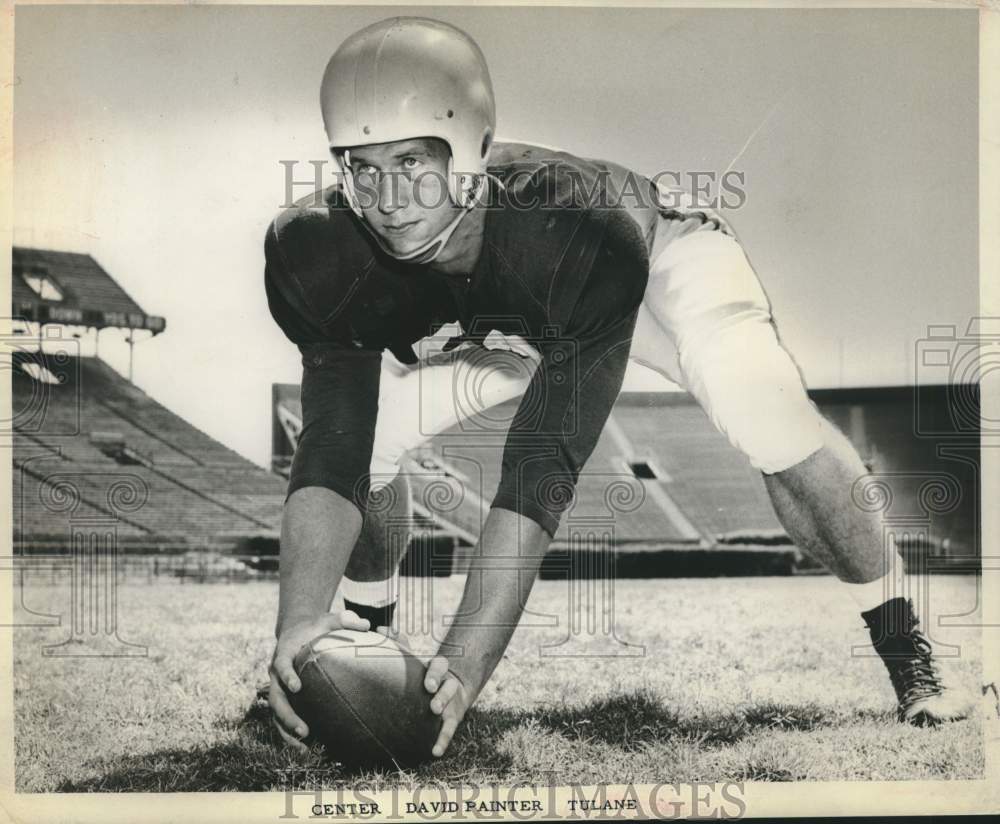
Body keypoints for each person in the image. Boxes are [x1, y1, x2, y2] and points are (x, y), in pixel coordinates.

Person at [263, 16, 972, 758]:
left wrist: (466, 666)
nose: (387, 196)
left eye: (413, 161)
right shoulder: (316, 248)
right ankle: (347, 656)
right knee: (371, 441)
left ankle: (909, 650)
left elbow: (541, 468)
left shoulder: (570, 225)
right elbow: (331, 452)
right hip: (507, 320)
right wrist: (300, 636)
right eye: (363, 167)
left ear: (470, 146)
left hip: (647, 269)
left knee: (764, 410)